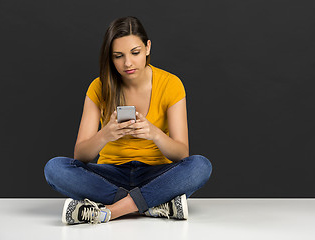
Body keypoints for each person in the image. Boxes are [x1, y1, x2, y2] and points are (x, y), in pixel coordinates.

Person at [44, 16, 212, 225]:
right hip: (110, 175)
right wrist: (105, 134)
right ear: (110, 57)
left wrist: (154, 134)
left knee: (200, 166)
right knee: (54, 168)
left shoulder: (171, 84)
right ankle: (154, 205)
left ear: (148, 47)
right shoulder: (99, 87)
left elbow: (181, 154)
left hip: (156, 173)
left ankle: (113, 210)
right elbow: (80, 156)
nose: (128, 63)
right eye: (118, 56)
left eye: (135, 53)